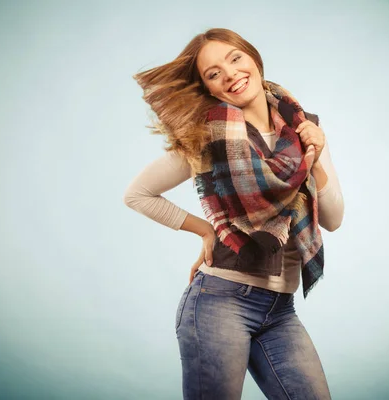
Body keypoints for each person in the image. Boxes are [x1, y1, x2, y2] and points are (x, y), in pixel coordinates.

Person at [123, 28, 344, 400]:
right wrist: (205, 231)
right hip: (219, 302)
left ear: (253, 59)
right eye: (213, 73)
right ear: (209, 88)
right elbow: (138, 194)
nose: (229, 74)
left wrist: (315, 158)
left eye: (235, 58)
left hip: (280, 310)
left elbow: (333, 219)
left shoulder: (305, 131)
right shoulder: (207, 138)